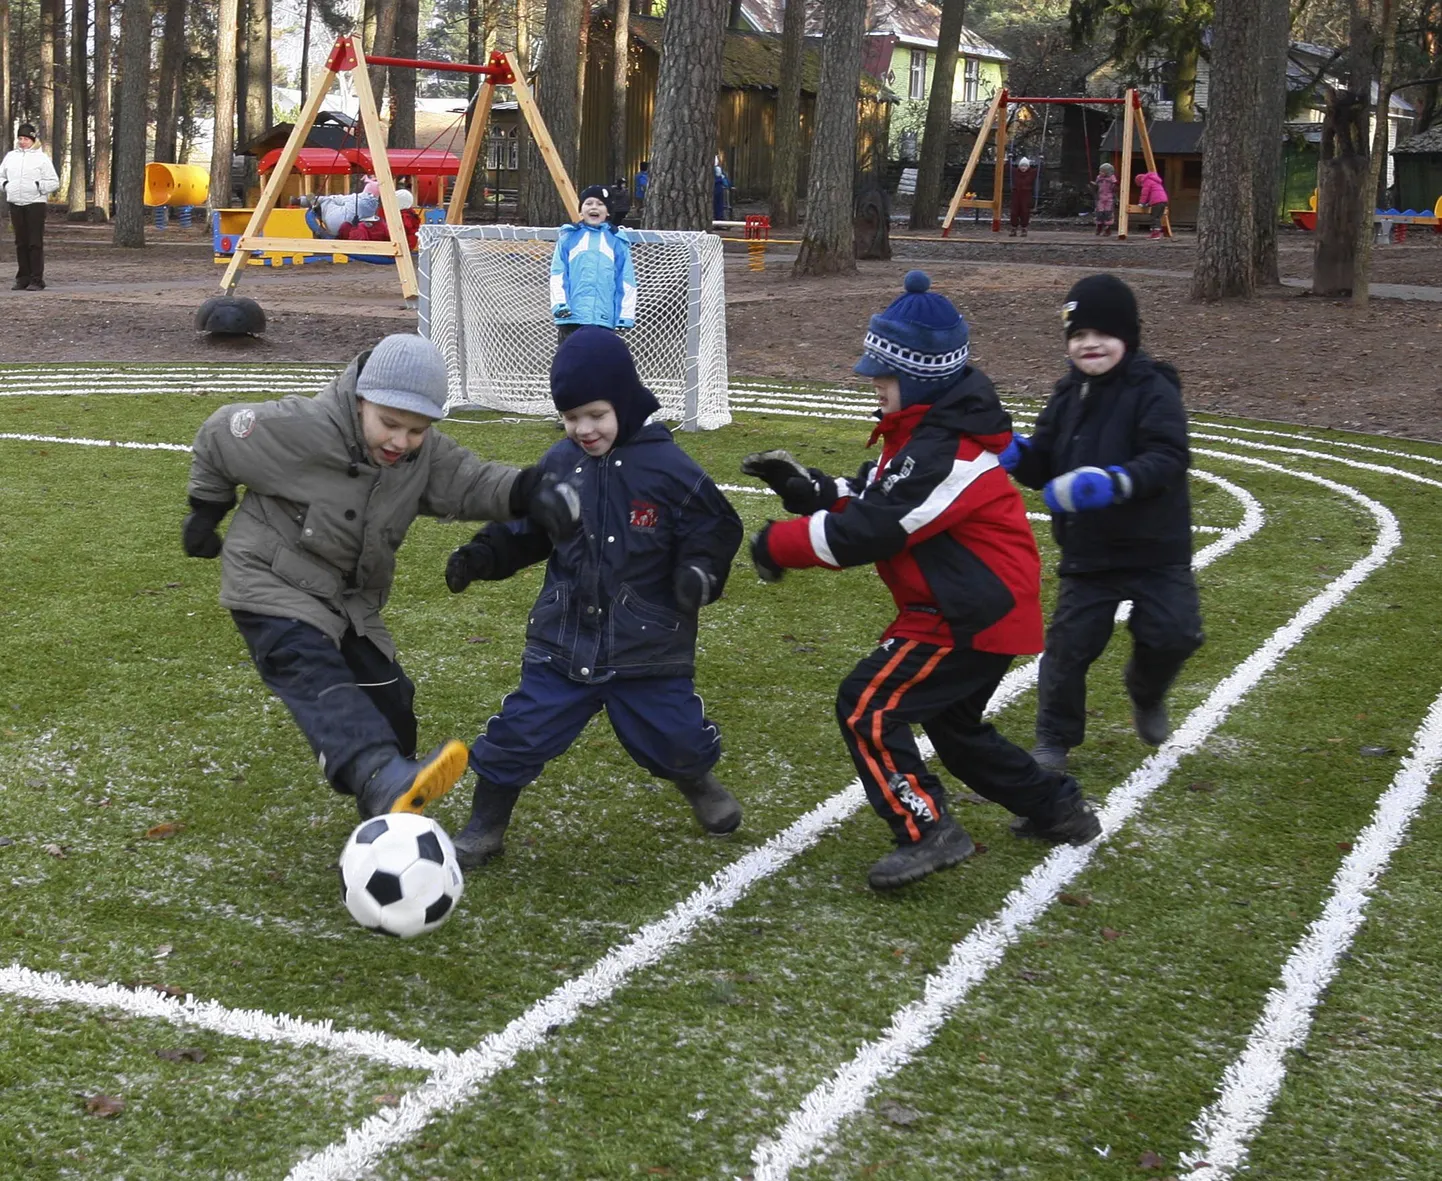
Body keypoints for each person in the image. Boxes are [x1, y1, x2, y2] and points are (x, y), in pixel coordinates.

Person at [745, 271, 1101, 891]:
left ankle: (927, 828)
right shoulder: (925, 436)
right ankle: (1056, 807)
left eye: (881, 376)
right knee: (956, 732)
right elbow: (882, 492)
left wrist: (781, 542)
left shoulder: (950, 451)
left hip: (965, 611)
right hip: (971, 606)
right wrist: (813, 491)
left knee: (866, 706)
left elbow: (880, 526)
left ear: (916, 379)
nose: (872, 384)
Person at [182, 333, 582, 822]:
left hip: (348, 599)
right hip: (271, 582)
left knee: (389, 699)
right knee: (311, 670)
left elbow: (470, 481)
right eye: (389, 423)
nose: (400, 442)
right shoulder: (298, 428)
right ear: (359, 400)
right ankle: (377, 776)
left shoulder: (421, 455)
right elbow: (219, 435)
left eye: (417, 430)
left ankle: (388, 801)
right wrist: (206, 510)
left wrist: (530, 492)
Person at [442, 328, 745, 870]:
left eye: (596, 415)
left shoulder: (671, 469)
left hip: (648, 646)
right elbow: (528, 528)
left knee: (674, 737)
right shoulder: (559, 463)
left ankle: (696, 780)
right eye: (571, 416)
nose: (583, 429)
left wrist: (700, 573)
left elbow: (714, 528)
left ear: (624, 404)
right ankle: (485, 828)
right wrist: (483, 555)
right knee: (518, 734)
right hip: (564, 639)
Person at [1000, 273, 1203, 774]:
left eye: (1102, 334)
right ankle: (1054, 737)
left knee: (1176, 633)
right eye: (1077, 335)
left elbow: (1168, 456)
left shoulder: (1153, 388)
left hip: (1157, 548)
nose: (1089, 344)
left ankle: (1146, 687)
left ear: (1127, 338)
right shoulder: (1068, 395)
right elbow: (1044, 463)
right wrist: (1013, 453)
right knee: (1068, 650)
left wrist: (1116, 482)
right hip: (1089, 553)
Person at [550, 184, 637, 341]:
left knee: (599, 363)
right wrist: (560, 304)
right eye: (588, 203)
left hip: (603, 319)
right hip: (571, 319)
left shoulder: (617, 242)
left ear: (608, 211)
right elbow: (558, 274)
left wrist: (625, 316)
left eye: (600, 204)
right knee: (569, 364)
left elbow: (626, 281)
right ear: (581, 209)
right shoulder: (568, 238)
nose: (594, 207)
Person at [0, 123, 60, 291]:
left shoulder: (41, 159)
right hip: (16, 203)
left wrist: (38, 186)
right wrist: (6, 186)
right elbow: (1, 176)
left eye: (26, 138)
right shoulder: (11, 157)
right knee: (20, 242)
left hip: (35, 203)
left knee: (34, 243)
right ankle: (22, 278)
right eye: (20, 138)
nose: (23, 141)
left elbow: (54, 182)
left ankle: (36, 279)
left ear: (33, 139)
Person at [1136, 169, 1169, 239]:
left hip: (1157, 201)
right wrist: (1148, 203)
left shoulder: (1147, 182)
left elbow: (1145, 194)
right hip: (1163, 200)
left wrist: (1142, 203)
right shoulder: (1155, 181)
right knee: (1158, 217)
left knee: (1154, 217)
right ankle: (1155, 233)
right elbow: (1154, 193)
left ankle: (1156, 234)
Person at [1009, 156, 1035, 238]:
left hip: (1026, 194)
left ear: (1028, 167)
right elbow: (1008, 168)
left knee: (1025, 211)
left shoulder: (1031, 173)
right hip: (1016, 193)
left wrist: (1041, 161)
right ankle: (1014, 228)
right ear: (1019, 166)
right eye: (1022, 166)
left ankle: (1024, 228)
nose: (1023, 168)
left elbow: (1040, 170)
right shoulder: (1015, 172)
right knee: (1014, 212)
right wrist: (1009, 158)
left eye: (1025, 166)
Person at [1092, 162, 1117, 237]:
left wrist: (1115, 185)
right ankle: (1099, 227)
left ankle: (1107, 229)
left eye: (1102, 171)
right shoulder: (1099, 178)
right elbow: (1097, 186)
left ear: (1107, 172)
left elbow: (1115, 186)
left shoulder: (1112, 178)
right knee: (1099, 213)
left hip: (1109, 198)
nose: (1100, 173)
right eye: (1100, 171)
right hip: (1100, 198)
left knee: (1108, 213)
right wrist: (1094, 185)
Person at [713, 156, 732, 222]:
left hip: (716, 189)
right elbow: (727, 183)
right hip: (718, 189)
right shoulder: (719, 170)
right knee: (718, 206)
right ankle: (719, 219)